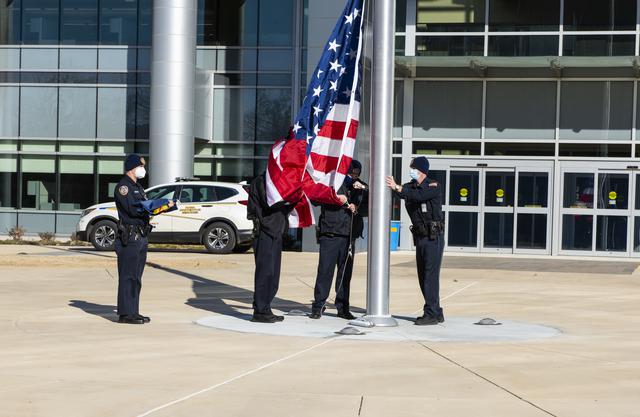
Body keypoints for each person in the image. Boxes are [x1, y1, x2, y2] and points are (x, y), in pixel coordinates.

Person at [114, 154, 173, 324]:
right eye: (140, 166)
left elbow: (148, 208)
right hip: (130, 236)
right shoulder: (123, 187)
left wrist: (163, 206)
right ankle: (125, 314)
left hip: (141, 235)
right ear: (132, 168)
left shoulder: (138, 187)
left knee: (136, 276)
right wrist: (153, 206)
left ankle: (133, 311)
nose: (143, 169)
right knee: (128, 276)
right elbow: (134, 210)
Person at [386, 156, 445, 325]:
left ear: (420, 170)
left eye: (412, 167)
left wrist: (397, 187)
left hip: (433, 237)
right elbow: (402, 192)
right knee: (423, 276)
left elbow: (418, 196)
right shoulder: (409, 186)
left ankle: (431, 313)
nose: (410, 169)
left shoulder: (433, 186)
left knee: (429, 276)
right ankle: (437, 311)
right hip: (420, 237)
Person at [310, 160, 367, 320]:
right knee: (325, 271)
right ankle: (318, 306)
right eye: (351, 173)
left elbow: (369, 203)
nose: (353, 177)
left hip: (349, 236)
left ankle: (343, 308)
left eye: (356, 174)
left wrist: (358, 201)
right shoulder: (331, 182)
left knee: (345, 275)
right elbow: (315, 198)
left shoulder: (359, 186)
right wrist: (335, 197)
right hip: (331, 233)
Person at [247, 172, 294, 323]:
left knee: (273, 275)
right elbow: (270, 203)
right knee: (265, 272)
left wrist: (294, 198)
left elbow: (283, 208)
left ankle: (265, 308)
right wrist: (288, 198)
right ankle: (260, 311)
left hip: (276, 231)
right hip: (264, 231)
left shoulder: (276, 182)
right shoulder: (262, 181)